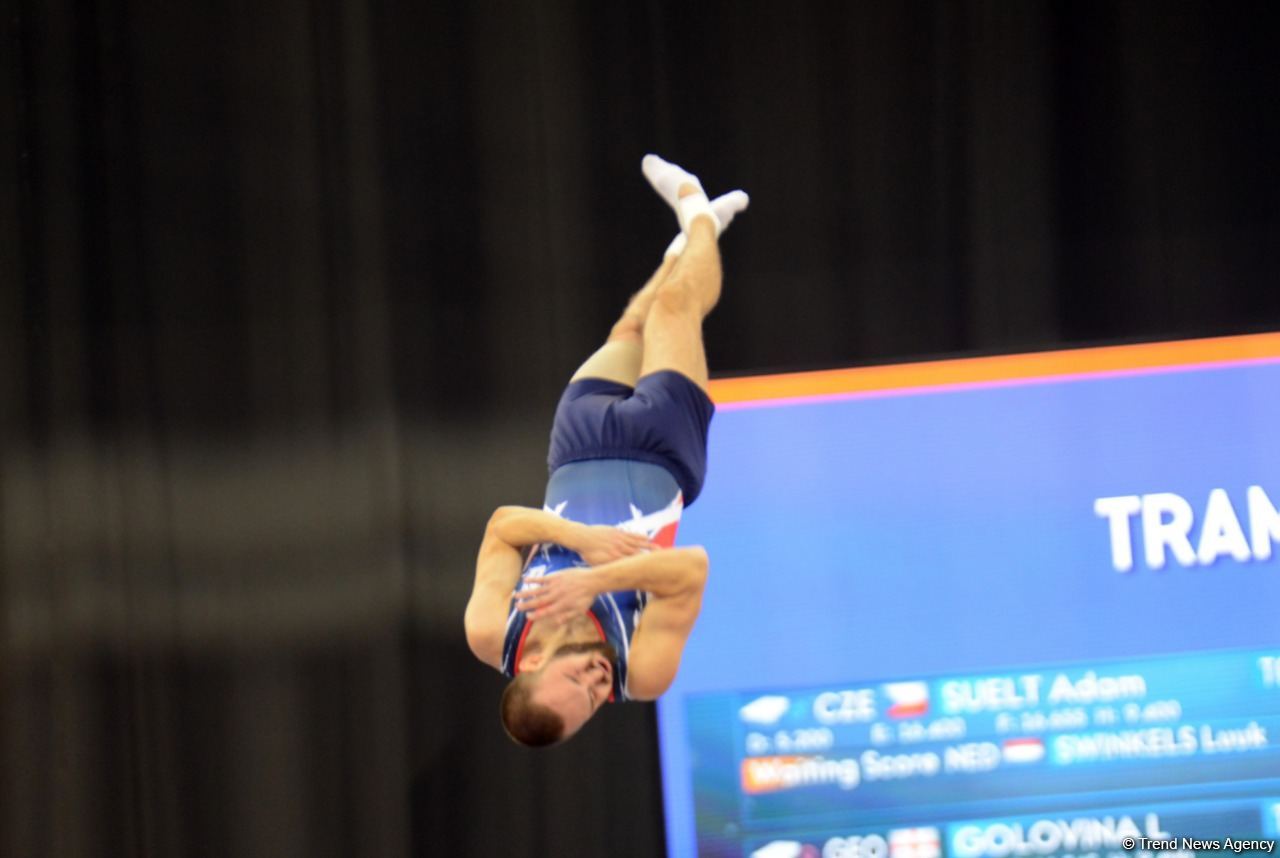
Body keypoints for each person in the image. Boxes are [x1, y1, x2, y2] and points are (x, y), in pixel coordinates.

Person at [464, 155, 748, 746]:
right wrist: (596, 583)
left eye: (578, 680)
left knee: (629, 329)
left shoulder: (494, 631)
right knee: (675, 311)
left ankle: (684, 251)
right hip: (662, 454)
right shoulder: (639, 672)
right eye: (594, 699)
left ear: (530, 667)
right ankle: (697, 216)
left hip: (576, 447)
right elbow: (691, 570)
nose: (597, 681)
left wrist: (584, 543)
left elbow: (501, 527)